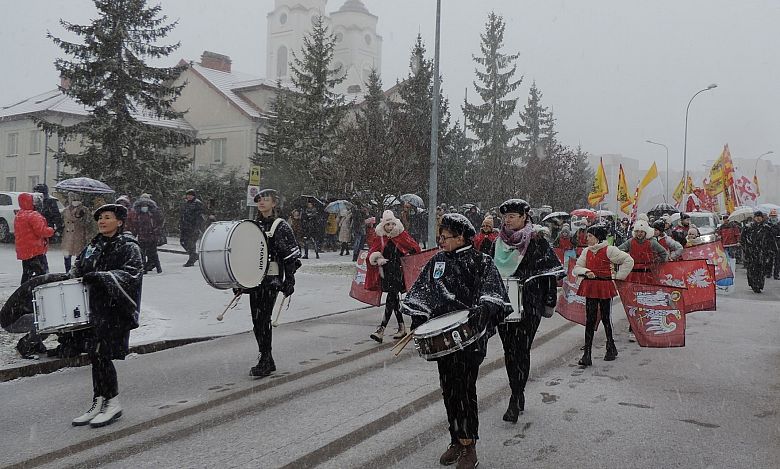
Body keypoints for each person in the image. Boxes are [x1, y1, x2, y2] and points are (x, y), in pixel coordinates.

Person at [402, 213, 512, 469]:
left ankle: (469, 445)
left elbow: (493, 294)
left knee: (464, 389)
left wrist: (483, 309)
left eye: (445, 236)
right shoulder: (437, 261)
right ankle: (456, 439)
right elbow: (422, 293)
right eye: (440, 236)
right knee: (449, 390)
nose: (441, 241)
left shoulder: (481, 261)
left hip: (470, 337)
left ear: (461, 236)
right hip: (444, 341)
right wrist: (419, 317)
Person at [70, 203, 143, 427]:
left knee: (103, 354)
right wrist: (75, 274)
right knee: (94, 354)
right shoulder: (94, 244)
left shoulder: (129, 246)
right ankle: (98, 400)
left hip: (114, 310)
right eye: (100, 217)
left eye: (107, 217)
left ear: (119, 222)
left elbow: (132, 275)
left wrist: (102, 277)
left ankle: (113, 403)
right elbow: (79, 265)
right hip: (95, 308)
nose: (102, 221)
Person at [492, 199, 562, 423]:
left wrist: (549, 299)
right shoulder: (498, 243)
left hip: (530, 304)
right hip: (505, 304)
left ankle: (515, 396)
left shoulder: (537, 241)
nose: (508, 219)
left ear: (524, 217)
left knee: (521, 350)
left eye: (513, 215)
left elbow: (550, 272)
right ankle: (517, 389)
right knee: (509, 351)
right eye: (506, 216)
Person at [235, 190, 301, 377]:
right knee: (257, 321)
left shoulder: (281, 226)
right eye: (259, 200)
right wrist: (240, 280)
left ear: (274, 203)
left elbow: (290, 257)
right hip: (254, 279)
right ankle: (267, 358)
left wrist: (290, 280)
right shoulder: (253, 226)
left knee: (263, 319)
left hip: (271, 280)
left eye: (265, 199)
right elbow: (245, 254)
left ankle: (265, 358)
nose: (261, 202)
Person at [572, 224, 634, 367]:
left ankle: (610, 346)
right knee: (590, 320)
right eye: (587, 236)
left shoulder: (609, 250)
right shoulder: (586, 251)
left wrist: (619, 276)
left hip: (604, 286)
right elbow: (576, 268)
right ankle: (587, 354)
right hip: (590, 287)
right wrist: (586, 271)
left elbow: (628, 260)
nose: (587, 238)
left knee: (606, 318)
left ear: (598, 238)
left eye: (590, 236)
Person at [366, 210, 420, 342]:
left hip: (399, 272)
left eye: (392, 224)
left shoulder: (401, 235)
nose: (390, 227)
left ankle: (381, 329)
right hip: (386, 272)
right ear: (383, 226)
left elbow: (415, 248)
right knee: (394, 300)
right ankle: (401, 327)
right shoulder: (381, 237)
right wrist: (378, 259)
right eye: (387, 224)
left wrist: (406, 255)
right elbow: (372, 252)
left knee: (391, 298)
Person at [15, 192, 55, 285]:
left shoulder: (19, 215)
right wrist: (51, 230)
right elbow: (41, 231)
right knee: (42, 274)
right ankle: (42, 291)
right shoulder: (33, 215)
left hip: (25, 251)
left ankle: (24, 292)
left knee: (27, 273)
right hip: (35, 250)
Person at [618, 215, 667, 284]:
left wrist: (655, 261)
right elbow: (618, 251)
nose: (639, 234)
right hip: (633, 273)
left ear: (645, 232)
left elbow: (664, 253)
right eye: (637, 231)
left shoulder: (652, 242)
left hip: (647, 273)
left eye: (641, 232)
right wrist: (626, 258)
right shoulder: (630, 241)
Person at [741, 210, 776, 293]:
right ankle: (753, 284)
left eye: (760, 217)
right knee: (752, 269)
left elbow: (771, 240)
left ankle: (759, 284)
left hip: (762, 252)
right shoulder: (748, 227)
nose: (758, 218)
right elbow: (743, 239)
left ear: (762, 218)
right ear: (754, 218)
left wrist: (771, 250)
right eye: (757, 216)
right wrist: (746, 249)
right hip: (751, 252)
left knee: (761, 269)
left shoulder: (766, 228)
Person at [130, 194, 164, 273]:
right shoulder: (139, 214)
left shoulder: (153, 213)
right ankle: (146, 268)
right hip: (144, 236)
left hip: (151, 235)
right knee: (144, 253)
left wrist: (156, 231)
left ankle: (154, 267)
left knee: (151, 253)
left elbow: (159, 222)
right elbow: (136, 225)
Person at [61, 192, 93, 272]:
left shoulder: (84, 210)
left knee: (80, 256)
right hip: (68, 236)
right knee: (67, 256)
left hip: (79, 236)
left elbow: (88, 223)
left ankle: (78, 271)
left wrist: (83, 218)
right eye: (73, 199)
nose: (74, 201)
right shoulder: (65, 210)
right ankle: (67, 272)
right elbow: (62, 223)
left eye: (76, 199)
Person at [179, 189, 205, 267]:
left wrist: (196, 226)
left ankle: (191, 260)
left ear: (193, 196)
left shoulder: (197, 203)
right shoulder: (186, 203)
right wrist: (181, 223)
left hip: (193, 227)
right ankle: (193, 255)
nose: (189, 196)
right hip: (185, 226)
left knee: (191, 243)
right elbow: (183, 214)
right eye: (188, 195)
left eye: (190, 195)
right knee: (183, 242)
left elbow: (199, 216)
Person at [769, 209, 780, 279]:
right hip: (770, 244)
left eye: (774, 216)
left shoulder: (779, 224)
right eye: (772, 216)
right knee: (769, 260)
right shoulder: (767, 224)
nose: (773, 217)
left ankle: (776, 274)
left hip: (778, 244)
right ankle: (768, 273)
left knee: (777, 261)